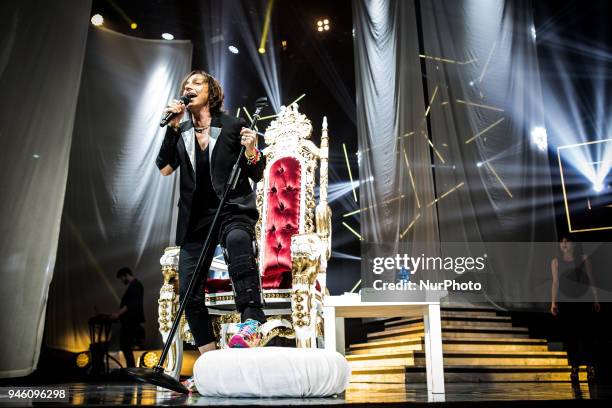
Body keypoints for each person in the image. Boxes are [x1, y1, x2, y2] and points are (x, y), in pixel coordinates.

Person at [155, 70, 266, 358]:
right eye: (186, 85)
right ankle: (209, 359)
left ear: (211, 92)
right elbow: (165, 168)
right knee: (189, 292)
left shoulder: (231, 125)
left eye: (196, 83)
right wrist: (173, 127)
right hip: (196, 218)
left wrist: (253, 149)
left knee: (239, 241)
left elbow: (256, 170)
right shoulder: (181, 131)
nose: (189, 87)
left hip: (231, 209)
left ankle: (252, 320)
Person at [550, 237, 600, 381]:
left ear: (573, 244)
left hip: (583, 302)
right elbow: (555, 282)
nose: (564, 244)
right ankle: (574, 367)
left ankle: (590, 366)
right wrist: (553, 303)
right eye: (561, 242)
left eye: (567, 241)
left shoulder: (583, 259)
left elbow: (591, 280)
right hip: (567, 303)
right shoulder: (556, 261)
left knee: (587, 336)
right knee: (571, 337)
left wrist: (596, 299)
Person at [111, 267, 145, 368]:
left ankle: (131, 369)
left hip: (131, 321)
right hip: (131, 321)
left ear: (126, 275)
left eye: (121, 278)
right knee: (126, 346)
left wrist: (117, 314)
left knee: (125, 345)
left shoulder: (136, 286)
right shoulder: (135, 285)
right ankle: (131, 368)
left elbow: (129, 305)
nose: (121, 281)